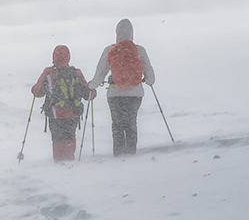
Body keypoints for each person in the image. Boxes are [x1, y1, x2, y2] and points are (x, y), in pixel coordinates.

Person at [90, 18, 157, 156]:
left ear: (117, 33)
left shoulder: (111, 50)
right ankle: (131, 151)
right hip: (135, 94)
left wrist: (92, 85)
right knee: (131, 122)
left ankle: (119, 153)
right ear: (132, 33)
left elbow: (100, 72)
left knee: (117, 124)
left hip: (115, 94)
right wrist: (149, 80)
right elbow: (150, 74)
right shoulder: (139, 50)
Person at [32, 45, 96, 162]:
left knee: (57, 138)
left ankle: (59, 162)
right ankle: (69, 161)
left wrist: (34, 89)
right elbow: (88, 95)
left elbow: (37, 92)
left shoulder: (49, 73)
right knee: (70, 136)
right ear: (68, 57)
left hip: (55, 113)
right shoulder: (76, 73)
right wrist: (93, 91)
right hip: (73, 113)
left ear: (54, 56)